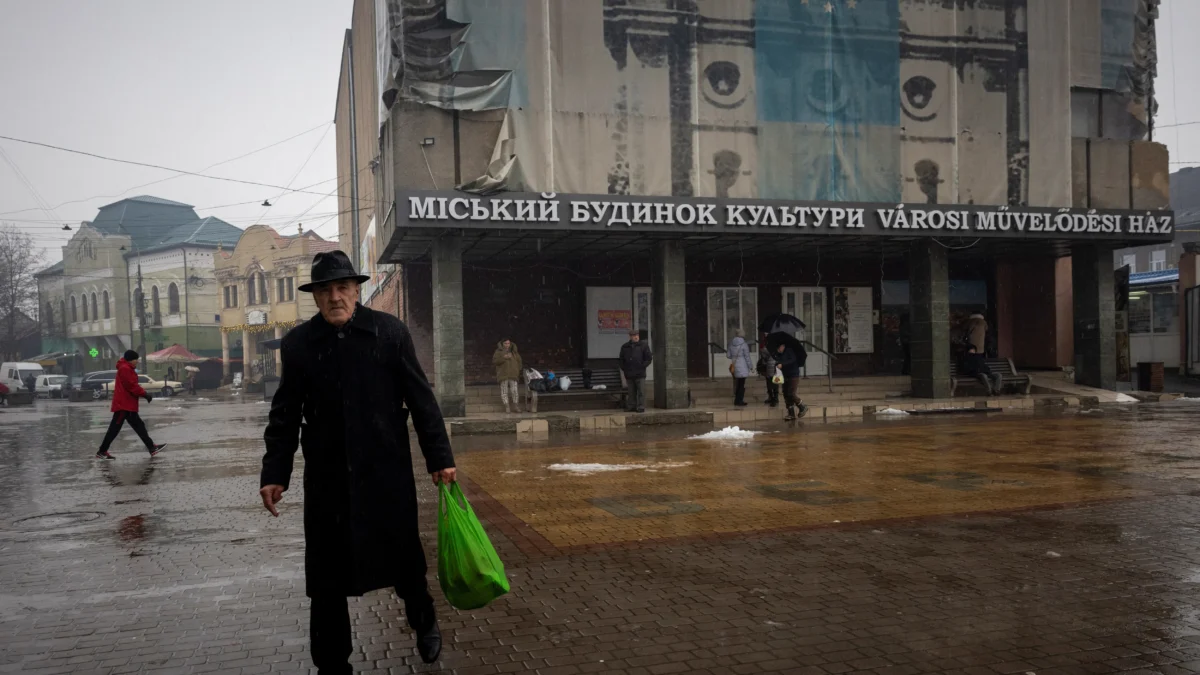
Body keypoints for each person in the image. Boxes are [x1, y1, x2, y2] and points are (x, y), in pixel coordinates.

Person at [259, 250, 455, 671]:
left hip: (386, 474)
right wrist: (275, 472)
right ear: (315, 297)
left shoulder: (389, 332)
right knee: (326, 579)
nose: (335, 297)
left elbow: (421, 400)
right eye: (325, 290)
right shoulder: (299, 344)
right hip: (327, 481)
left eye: (342, 287)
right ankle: (332, 664)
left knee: (404, 561)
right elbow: (285, 414)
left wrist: (440, 458)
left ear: (356, 290)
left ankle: (423, 617)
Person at [95, 350, 166, 460]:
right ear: (130, 359)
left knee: (139, 426)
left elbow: (131, 385)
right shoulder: (125, 369)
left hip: (127, 404)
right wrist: (145, 394)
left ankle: (151, 447)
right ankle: (102, 451)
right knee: (114, 429)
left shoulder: (126, 368)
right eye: (135, 359)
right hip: (124, 405)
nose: (137, 361)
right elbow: (132, 386)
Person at [771, 334, 809, 421]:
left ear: (783, 346)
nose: (778, 350)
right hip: (785, 375)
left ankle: (802, 406)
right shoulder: (779, 354)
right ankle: (791, 413)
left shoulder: (789, 351)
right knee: (786, 394)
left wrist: (782, 364)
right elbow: (779, 362)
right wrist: (777, 365)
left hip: (793, 375)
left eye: (779, 348)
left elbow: (792, 360)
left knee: (791, 393)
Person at [619, 329, 652, 413]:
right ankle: (631, 406)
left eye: (637, 335)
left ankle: (641, 407)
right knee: (631, 392)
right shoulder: (625, 347)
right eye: (634, 336)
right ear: (630, 337)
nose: (636, 337)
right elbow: (621, 360)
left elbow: (648, 358)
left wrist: (642, 366)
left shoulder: (643, 346)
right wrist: (625, 368)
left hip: (640, 373)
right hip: (629, 373)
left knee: (641, 391)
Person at [492, 339, 523, 413]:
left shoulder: (514, 352)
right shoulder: (498, 352)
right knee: (504, 391)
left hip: (513, 374)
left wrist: (517, 370)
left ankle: (516, 406)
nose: (507, 345)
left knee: (514, 391)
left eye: (508, 343)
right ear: (502, 344)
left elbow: (519, 362)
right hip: (503, 374)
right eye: (505, 343)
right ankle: (507, 407)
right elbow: (495, 361)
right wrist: (504, 358)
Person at [726, 329, 753, 406]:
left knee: (737, 383)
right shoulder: (744, 344)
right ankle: (739, 400)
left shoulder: (731, 343)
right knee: (741, 384)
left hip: (735, 365)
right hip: (743, 366)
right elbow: (747, 357)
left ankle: (736, 400)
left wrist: (734, 356)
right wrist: (750, 366)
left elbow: (728, 355)